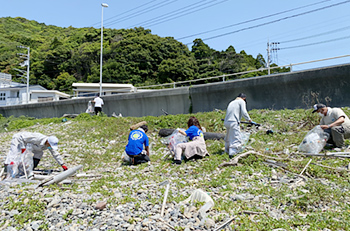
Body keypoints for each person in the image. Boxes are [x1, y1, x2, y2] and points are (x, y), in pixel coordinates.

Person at [224, 93, 255, 158]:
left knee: (228, 137)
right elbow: (244, 112)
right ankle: (232, 154)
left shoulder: (232, 102)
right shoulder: (241, 101)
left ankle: (226, 150)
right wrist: (249, 120)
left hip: (226, 121)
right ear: (244, 98)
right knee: (236, 138)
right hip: (233, 122)